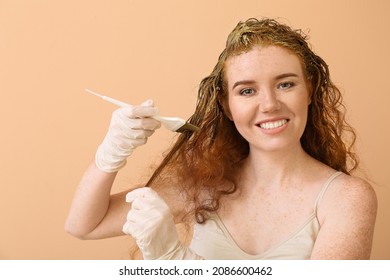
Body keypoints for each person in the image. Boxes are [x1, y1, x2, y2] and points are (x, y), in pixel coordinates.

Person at [65, 18, 377, 259]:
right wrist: (111, 153)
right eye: (247, 91)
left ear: (308, 90)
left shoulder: (346, 199)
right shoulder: (204, 184)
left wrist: (180, 264)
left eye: (285, 84)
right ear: (227, 106)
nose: (269, 104)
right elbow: (85, 224)